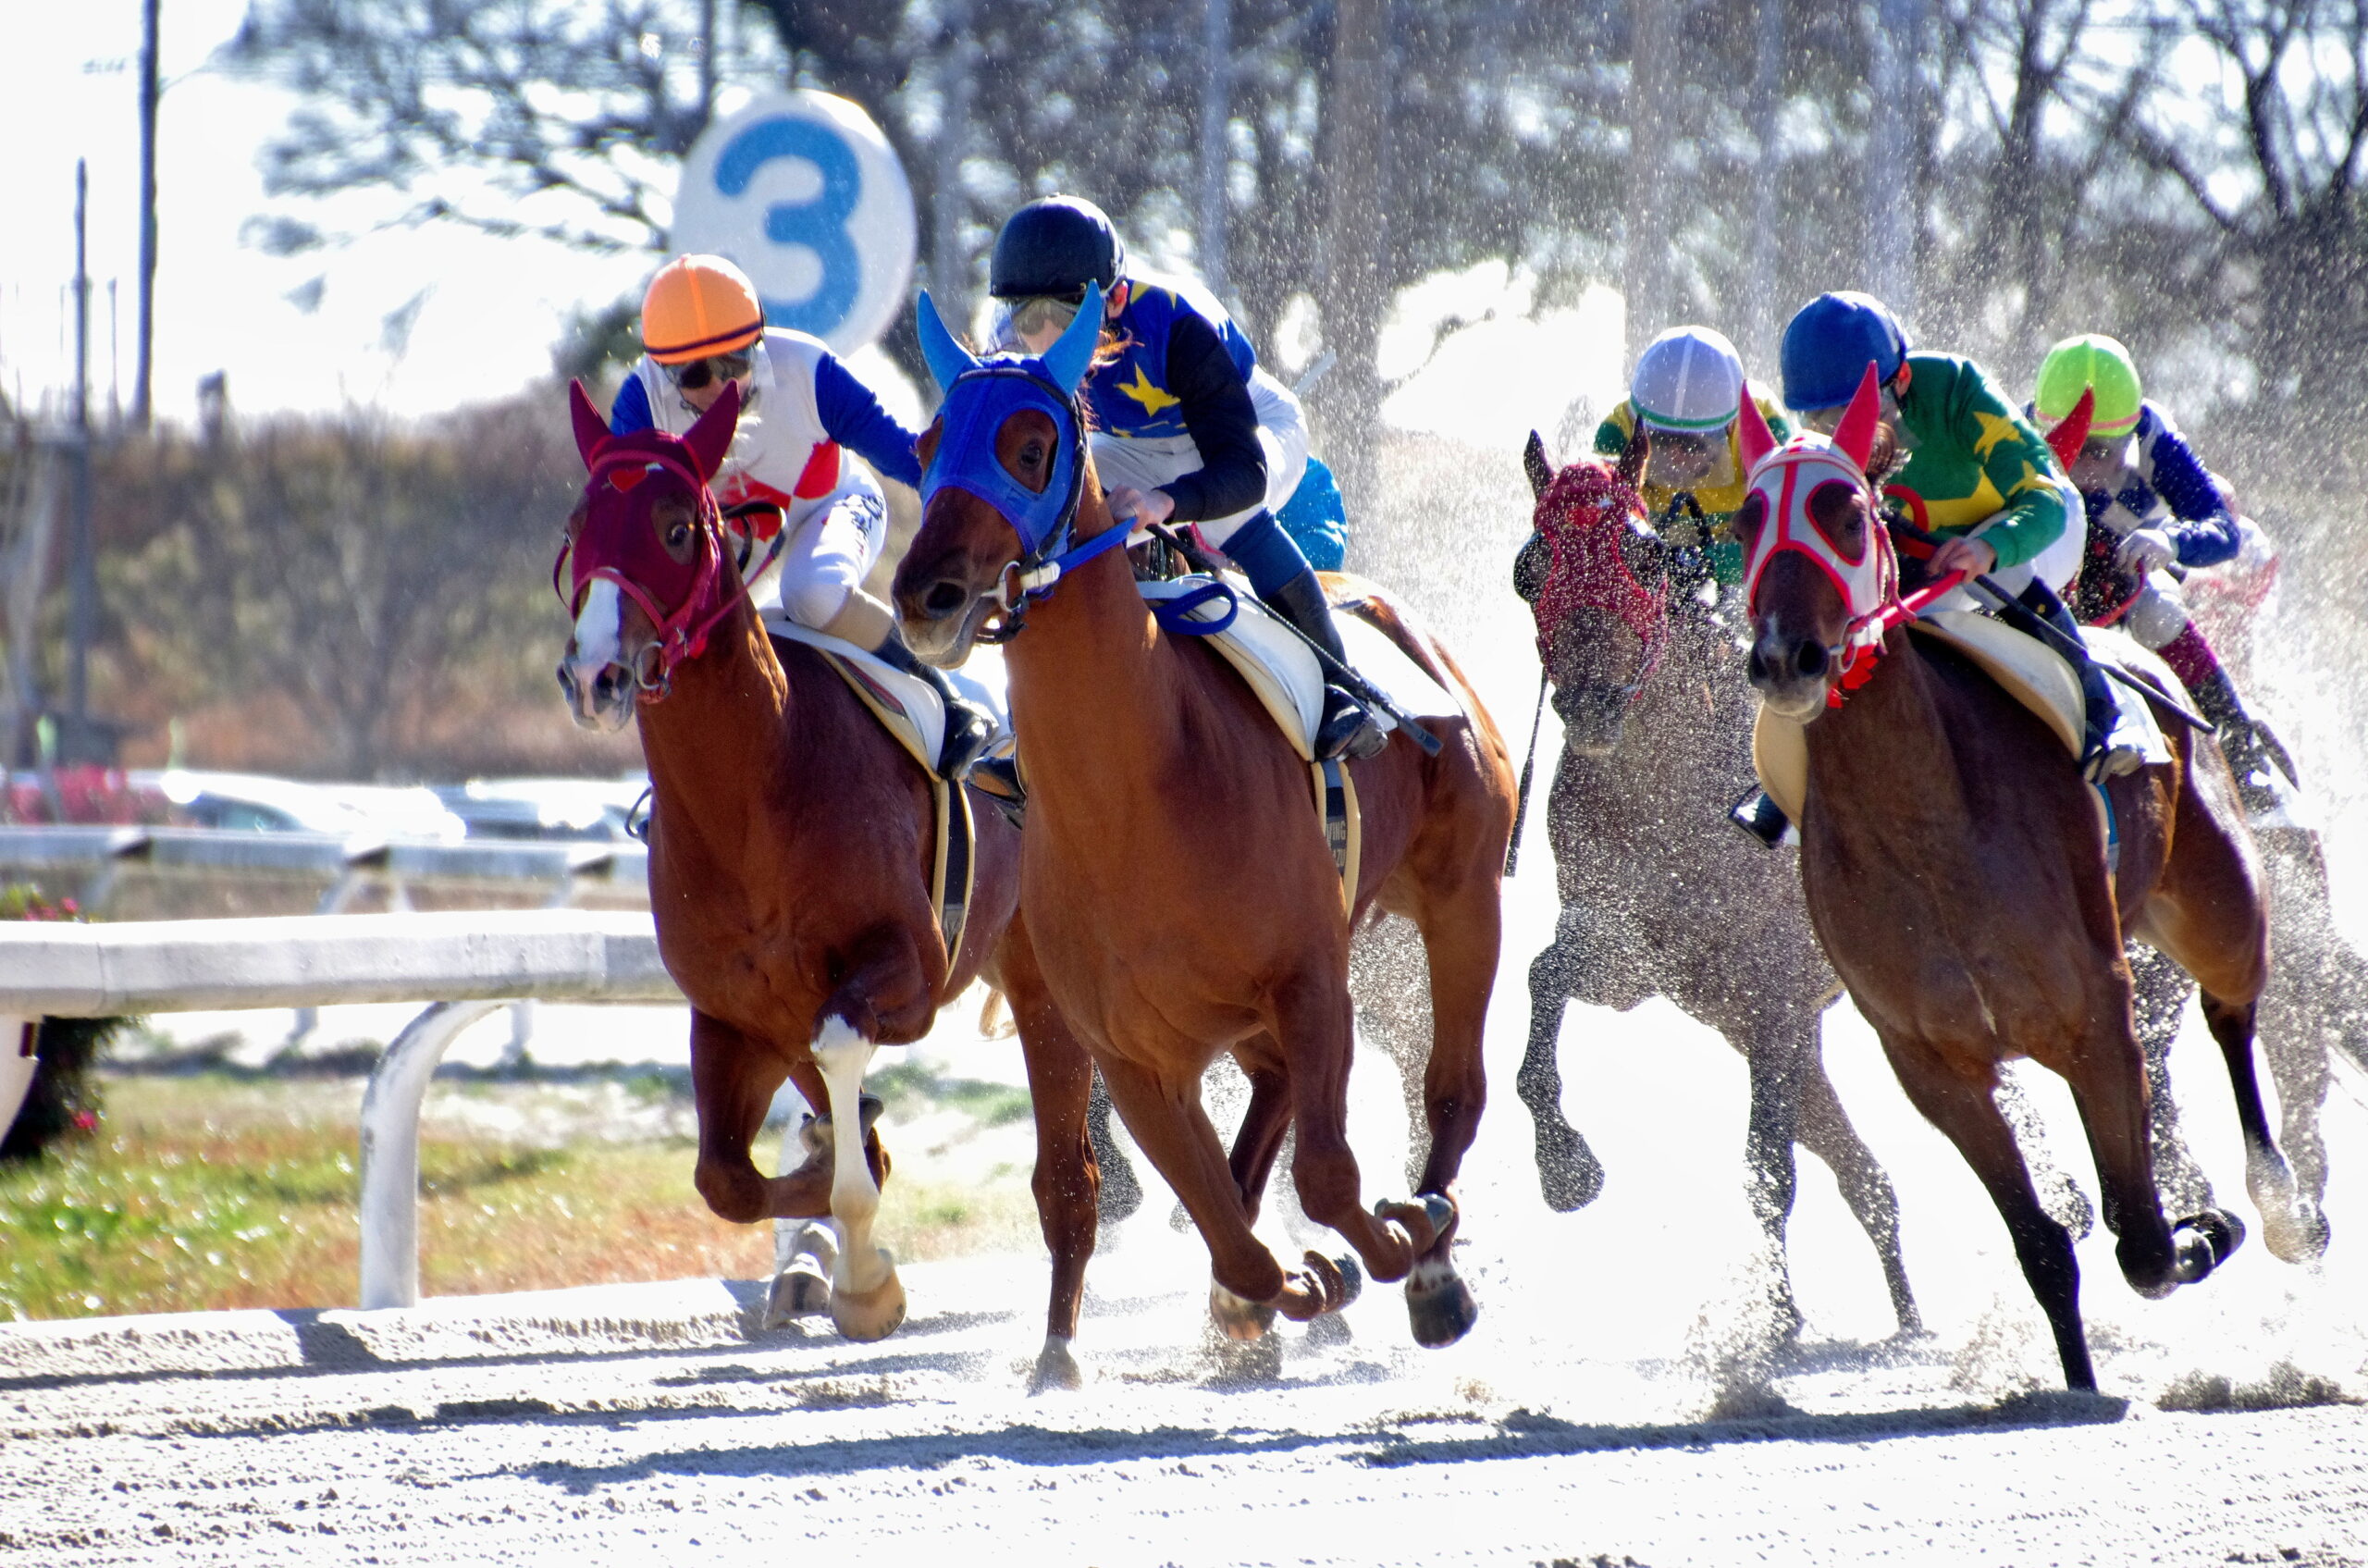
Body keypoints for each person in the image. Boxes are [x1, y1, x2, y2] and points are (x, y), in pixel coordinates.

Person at [987, 194, 1386, 759]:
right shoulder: (1007, 341)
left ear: (1116, 297)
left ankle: (1339, 691)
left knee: (1229, 516)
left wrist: (1163, 502)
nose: (1049, 338)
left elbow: (1241, 473)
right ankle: (1022, 725)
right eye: (1030, 317)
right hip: (1136, 443)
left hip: (1249, 432)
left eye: (1067, 315)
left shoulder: (1177, 321)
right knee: (1055, 516)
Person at [1729, 290, 2128, 846]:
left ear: (1904, 382)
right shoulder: (1818, 451)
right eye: (1823, 418)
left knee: (2008, 579)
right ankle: (1793, 778)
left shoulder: (1957, 390)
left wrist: (1990, 547)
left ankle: (2102, 714)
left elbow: (2046, 495)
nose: (1847, 433)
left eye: (1859, 412)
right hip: (1905, 557)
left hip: (2019, 533)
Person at [610, 254, 993, 780]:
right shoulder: (640, 400)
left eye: (735, 363)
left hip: (831, 507)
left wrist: (972, 515)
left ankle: (947, 700)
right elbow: (629, 516)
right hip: (736, 546)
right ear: (662, 370)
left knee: (812, 592)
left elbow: (902, 455)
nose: (722, 386)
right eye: (697, 374)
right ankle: (678, 788)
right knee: (678, 625)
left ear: (758, 342)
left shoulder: (807, 369)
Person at [2030, 333, 2298, 806]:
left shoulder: (2155, 439)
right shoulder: (2015, 426)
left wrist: (2171, 540)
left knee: (2158, 612)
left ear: (2129, 434)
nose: (2077, 464)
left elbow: (2223, 530)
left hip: (2131, 572)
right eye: (2064, 443)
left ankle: (2241, 750)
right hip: (2050, 570)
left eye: (2097, 450)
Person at [1592, 325, 1793, 588]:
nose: (1675, 457)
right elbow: (1596, 539)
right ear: (1639, 422)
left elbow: (1786, 543)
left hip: (1731, 564)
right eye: (1661, 441)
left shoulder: (1764, 424)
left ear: (1731, 427)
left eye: (1691, 446)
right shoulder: (1617, 431)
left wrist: (1712, 563)